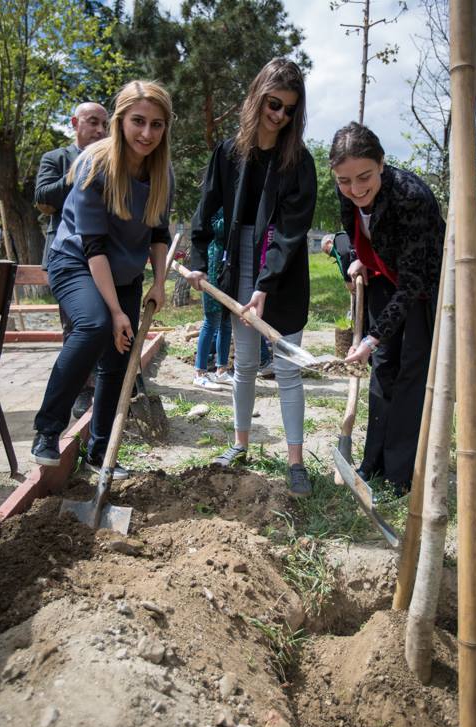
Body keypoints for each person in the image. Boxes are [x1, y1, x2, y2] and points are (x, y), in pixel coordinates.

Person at [188, 57, 317, 498]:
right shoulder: (229, 153)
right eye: (273, 104)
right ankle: (240, 444)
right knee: (243, 364)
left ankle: (295, 462)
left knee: (287, 369)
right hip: (240, 264)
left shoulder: (299, 162)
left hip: (283, 269)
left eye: (289, 109)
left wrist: (265, 284)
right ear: (258, 97)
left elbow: (291, 232)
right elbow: (206, 209)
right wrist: (199, 259)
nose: (279, 115)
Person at [31, 80, 173, 479]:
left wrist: (159, 283)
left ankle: (99, 454)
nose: (147, 133)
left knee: (118, 359)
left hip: (125, 272)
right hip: (76, 261)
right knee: (94, 326)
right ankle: (48, 430)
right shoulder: (94, 164)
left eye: (157, 124)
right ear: (120, 121)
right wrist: (115, 311)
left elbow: (159, 233)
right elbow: (93, 246)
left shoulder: (162, 172)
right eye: (138, 121)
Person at [330, 121, 444, 494]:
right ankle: (372, 463)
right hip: (383, 277)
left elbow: (412, 281)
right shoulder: (346, 189)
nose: (355, 189)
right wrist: (360, 257)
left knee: (410, 375)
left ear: (381, 163)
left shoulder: (411, 196)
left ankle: (399, 474)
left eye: (364, 177)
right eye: (345, 181)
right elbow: (358, 228)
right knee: (382, 369)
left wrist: (372, 337)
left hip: (422, 288)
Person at [35, 102, 109, 417]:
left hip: (104, 254)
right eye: (92, 122)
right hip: (67, 256)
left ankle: (113, 383)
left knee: (110, 320)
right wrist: (81, 169)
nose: (100, 130)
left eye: (104, 124)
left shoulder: (112, 159)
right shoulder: (56, 158)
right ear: (74, 123)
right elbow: (42, 197)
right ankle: (82, 390)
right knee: (78, 326)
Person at [193, 209, 234, 390]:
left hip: (228, 266)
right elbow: (216, 228)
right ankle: (200, 373)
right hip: (213, 264)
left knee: (226, 322)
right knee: (211, 321)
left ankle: (221, 370)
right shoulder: (214, 204)